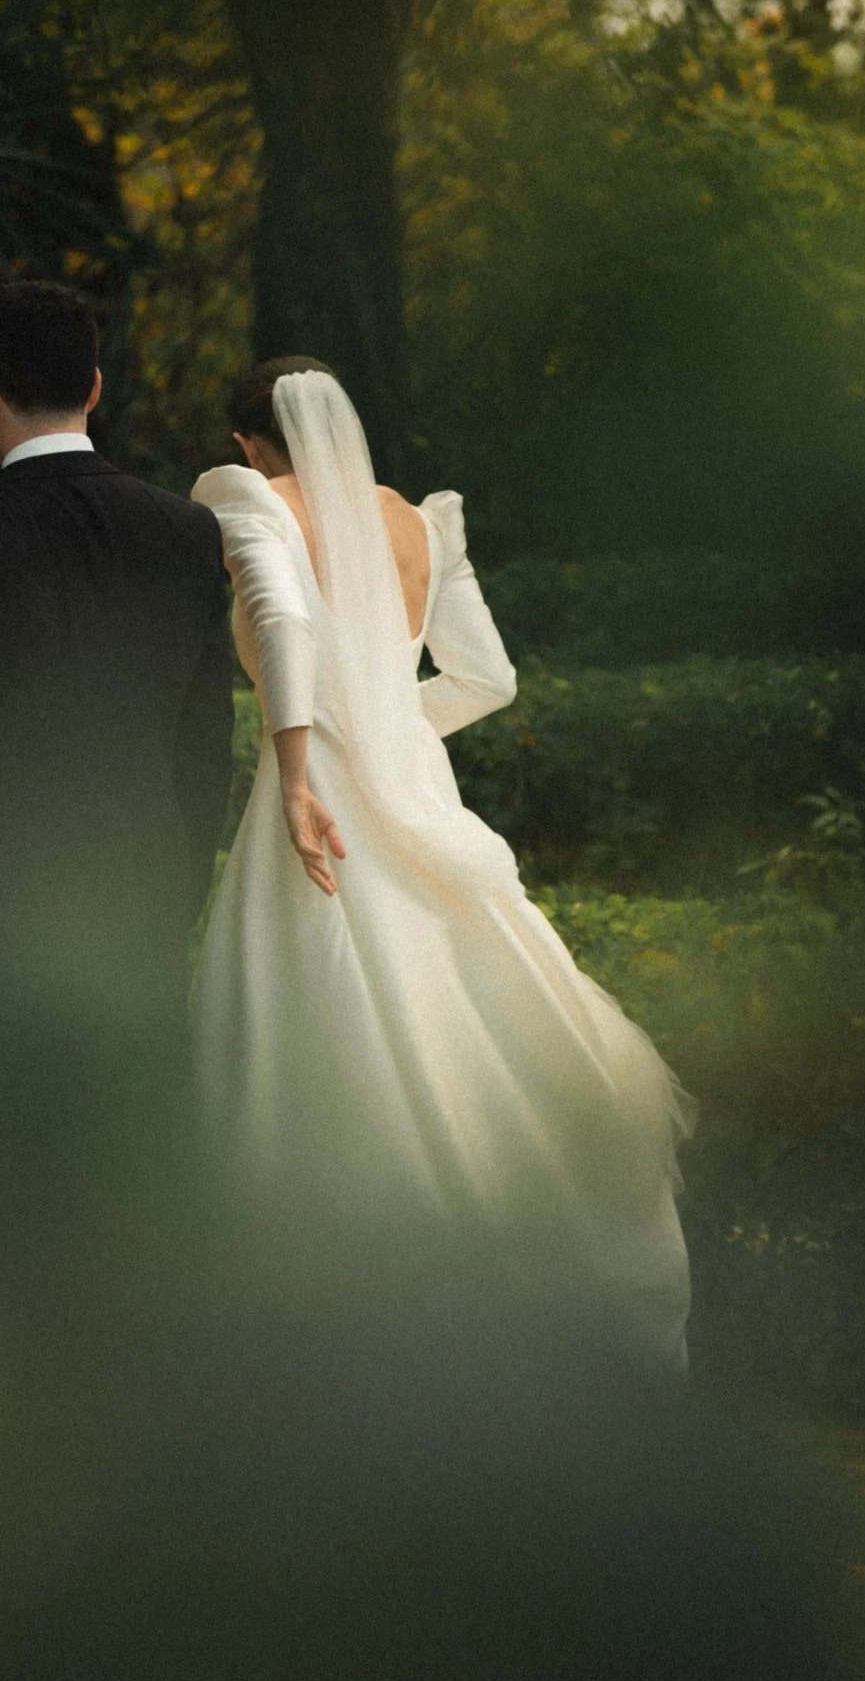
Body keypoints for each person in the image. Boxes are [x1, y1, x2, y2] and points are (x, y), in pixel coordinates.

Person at [192, 361, 691, 1348]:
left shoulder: (246, 499)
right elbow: (489, 678)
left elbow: (286, 623)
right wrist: (391, 725)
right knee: (460, 985)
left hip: (318, 786)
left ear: (251, 443)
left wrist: (302, 767)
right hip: (413, 780)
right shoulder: (424, 522)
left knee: (315, 1008)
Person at [0, 282, 233, 1048]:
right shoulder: (187, 531)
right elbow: (207, 744)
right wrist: (180, 885)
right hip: (146, 890)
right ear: (94, 386)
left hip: (3, 911)